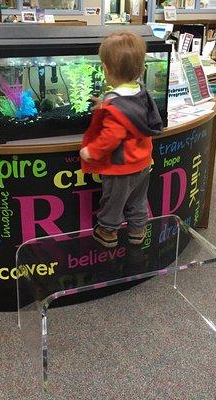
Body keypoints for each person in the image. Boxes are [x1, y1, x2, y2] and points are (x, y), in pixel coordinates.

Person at [80, 31, 163, 248]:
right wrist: (105, 103)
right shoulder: (141, 92)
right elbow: (130, 114)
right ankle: (137, 230)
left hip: (121, 167)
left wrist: (91, 151)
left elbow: (111, 136)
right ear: (141, 67)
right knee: (138, 199)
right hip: (143, 162)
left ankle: (107, 232)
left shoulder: (115, 106)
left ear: (105, 69)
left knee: (113, 202)